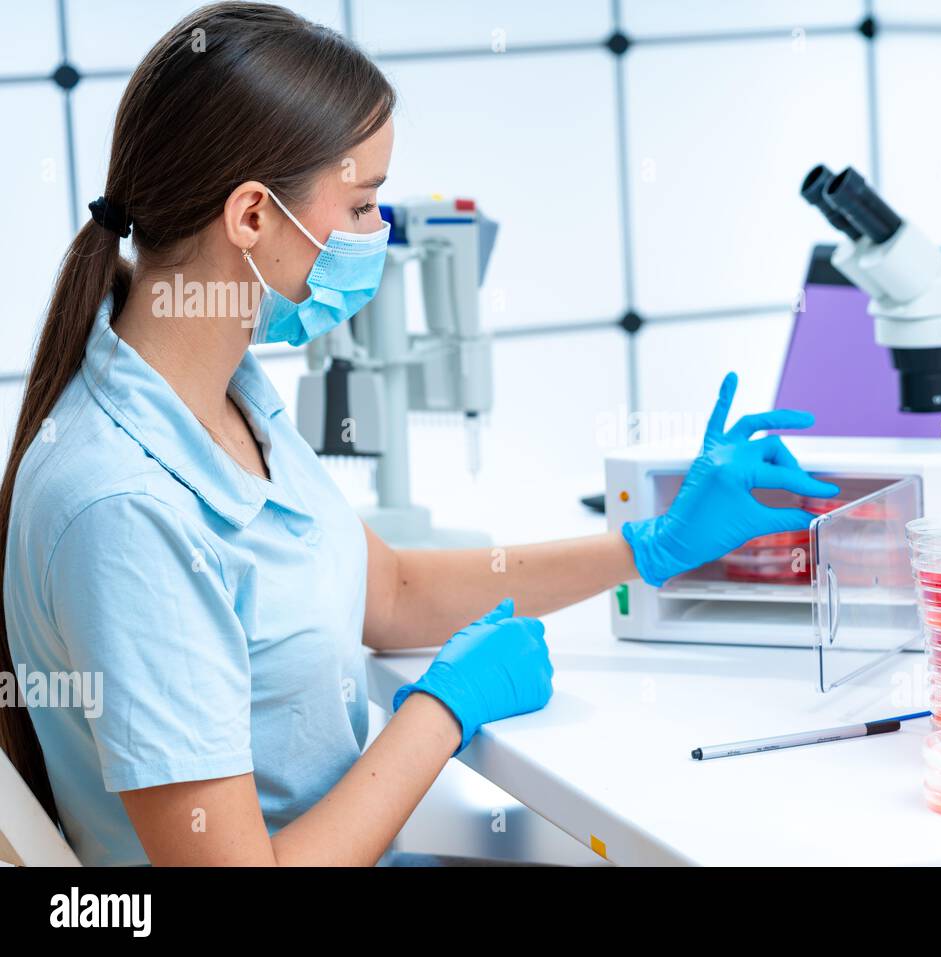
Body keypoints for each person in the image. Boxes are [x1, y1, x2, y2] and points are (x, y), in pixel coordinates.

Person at [0, 2, 837, 866]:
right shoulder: (124, 508)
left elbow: (389, 591)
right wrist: (438, 712)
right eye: (364, 205)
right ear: (250, 217)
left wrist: (645, 548)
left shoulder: (221, 393)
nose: (379, 235)